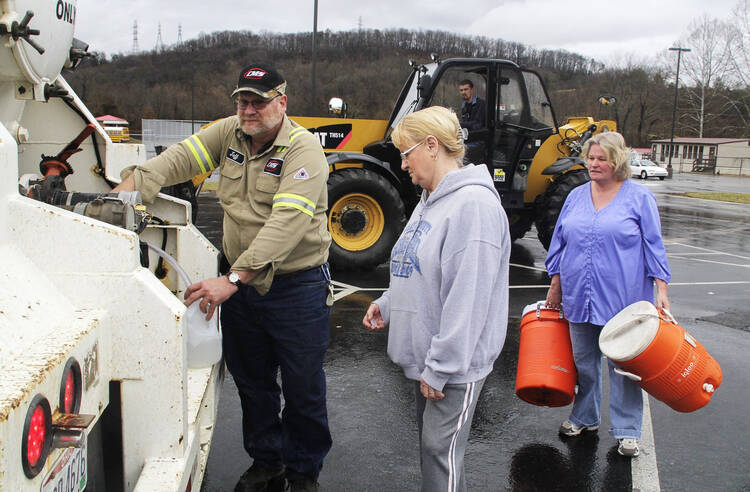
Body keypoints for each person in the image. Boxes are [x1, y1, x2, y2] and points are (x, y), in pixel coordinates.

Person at [113, 64, 332, 492]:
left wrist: (232, 279)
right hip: (241, 283)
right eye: (242, 101)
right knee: (252, 382)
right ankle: (267, 461)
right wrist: (130, 188)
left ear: (282, 103)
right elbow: (179, 159)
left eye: (259, 101)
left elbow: (286, 224)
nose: (249, 110)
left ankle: (304, 472)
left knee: (303, 385)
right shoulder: (229, 132)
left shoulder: (303, 150)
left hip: (295, 286)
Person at [362, 106, 510, 491]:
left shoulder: (473, 207)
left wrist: (442, 366)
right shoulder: (431, 200)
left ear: (432, 146)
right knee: (432, 450)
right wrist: (389, 303)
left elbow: (469, 298)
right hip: (428, 359)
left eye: (406, 153)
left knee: (440, 453)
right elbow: (417, 265)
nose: (403, 163)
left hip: (451, 365)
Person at [544, 131, 671, 458]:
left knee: (624, 366)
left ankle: (628, 429)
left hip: (623, 300)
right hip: (578, 296)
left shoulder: (639, 198)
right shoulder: (575, 196)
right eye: (591, 158)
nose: (595, 164)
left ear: (618, 161)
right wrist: (555, 286)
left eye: (602, 159)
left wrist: (662, 290)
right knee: (584, 363)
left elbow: (653, 246)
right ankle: (584, 416)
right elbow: (559, 243)